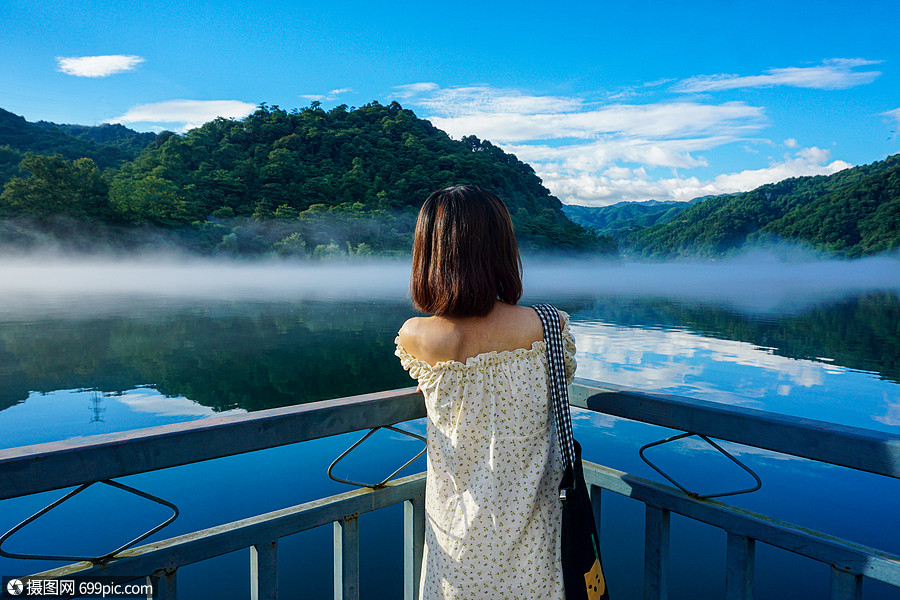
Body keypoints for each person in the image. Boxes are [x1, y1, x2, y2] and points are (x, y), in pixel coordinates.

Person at [395, 185, 577, 599]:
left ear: (429, 254)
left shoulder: (415, 335)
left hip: (456, 535)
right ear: (501, 250)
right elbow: (558, 385)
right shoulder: (549, 327)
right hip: (535, 531)